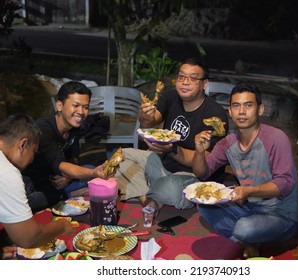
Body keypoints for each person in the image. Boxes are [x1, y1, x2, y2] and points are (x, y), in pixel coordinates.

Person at [192, 82, 298, 259]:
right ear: (230, 111)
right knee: (203, 206)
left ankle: (244, 238)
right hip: (248, 207)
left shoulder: (275, 138)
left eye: (248, 105)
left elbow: (286, 184)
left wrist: (249, 191)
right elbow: (202, 173)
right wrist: (199, 151)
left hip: (281, 214)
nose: (241, 111)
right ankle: (249, 241)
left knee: (244, 228)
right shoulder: (227, 143)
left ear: (260, 110)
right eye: (236, 106)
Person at [115, 57, 229, 211]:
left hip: (191, 175)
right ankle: (147, 195)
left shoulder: (215, 115)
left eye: (193, 78)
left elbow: (204, 164)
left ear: (204, 84)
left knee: (170, 190)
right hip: (162, 163)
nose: (185, 82)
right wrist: (144, 116)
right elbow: (150, 122)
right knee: (120, 157)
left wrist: (172, 150)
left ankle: (144, 189)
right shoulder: (171, 95)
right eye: (182, 76)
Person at [22, 81, 110, 213]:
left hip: (57, 179)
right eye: (75, 105)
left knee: (90, 172)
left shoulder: (74, 128)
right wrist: (93, 173)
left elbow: (73, 159)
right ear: (59, 105)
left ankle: (65, 192)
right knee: (30, 201)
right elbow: (61, 165)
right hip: (34, 182)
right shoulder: (43, 129)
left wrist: (69, 177)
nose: (81, 112)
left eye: (85, 107)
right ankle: (66, 195)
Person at [0, 114, 74, 257]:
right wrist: (62, 226)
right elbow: (28, 238)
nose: (33, 159)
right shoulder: (7, 172)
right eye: (34, 151)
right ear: (23, 145)